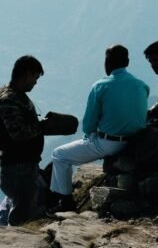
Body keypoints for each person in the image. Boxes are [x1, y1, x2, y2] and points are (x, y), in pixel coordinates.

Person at [49, 45, 148, 212]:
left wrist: (92, 136)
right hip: (137, 141)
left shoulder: (100, 86)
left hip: (109, 143)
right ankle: (57, 199)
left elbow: (88, 124)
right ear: (128, 62)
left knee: (59, 155)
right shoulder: (142, 85)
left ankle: (65, 202)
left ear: (107, 62)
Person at [0, 56, 49, 225]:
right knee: (22, 215)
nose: (35, 82)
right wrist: (43, 126)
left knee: (26, 206)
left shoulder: (17, 96)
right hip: (17, 168)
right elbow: (18, 133)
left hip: (24, 165)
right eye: (35, 77)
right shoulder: (9, 100)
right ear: (26, 74)